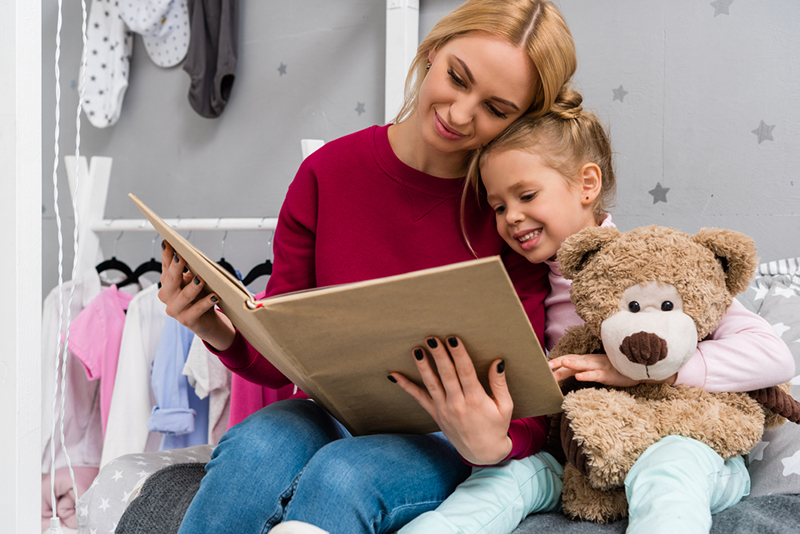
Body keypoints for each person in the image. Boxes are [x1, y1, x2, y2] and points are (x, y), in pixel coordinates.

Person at [159, 1, 579, 532]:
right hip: (327, 411)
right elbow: (285, 354)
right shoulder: (325, 175)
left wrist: (494, 441)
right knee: (257, 445)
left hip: (442, 435)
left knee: (345, 475)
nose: (460, 113)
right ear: (430, 54)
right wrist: (210, 326)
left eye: (496, 108)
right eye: (457, 78)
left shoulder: (509, 213)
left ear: (521, 121)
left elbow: (532, 407)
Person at [391, 92, 795, 534]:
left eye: (526, 195)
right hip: (581, 463)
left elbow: (772, 356)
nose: (512, 217)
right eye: (499, 206)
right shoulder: (518, 288)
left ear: (587, 185)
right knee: (499, 482)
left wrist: (650, 371)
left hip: (686, 445)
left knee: (668, 468)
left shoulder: (657, 265)